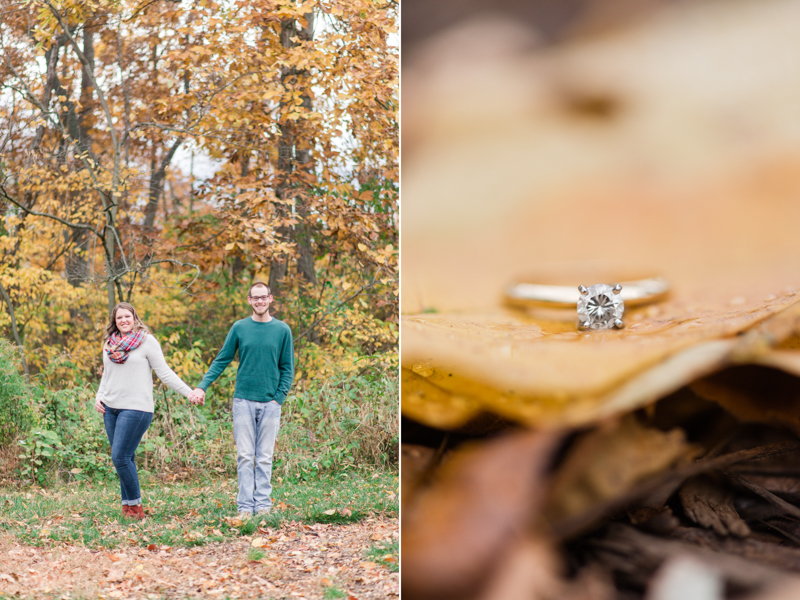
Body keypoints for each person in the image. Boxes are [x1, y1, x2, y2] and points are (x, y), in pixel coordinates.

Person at [191, 282, 294, 518]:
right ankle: (245, 508)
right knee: (246, 456)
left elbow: (287, 368)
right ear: (249, 300)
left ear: (270, 299)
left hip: (270, 403)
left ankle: (263, 506)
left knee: (265, 457)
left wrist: (278, 399)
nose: (259, 302)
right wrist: (202, 386)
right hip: (243, 402)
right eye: (255, 298)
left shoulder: (282, 330)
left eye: (263, 297)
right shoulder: (239, 328)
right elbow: (221, 359)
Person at [94, 302, 200, 519]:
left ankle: (135, 508)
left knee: (120, 457)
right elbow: (107, 374)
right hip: (111, 408)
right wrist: (99, 396)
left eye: (127, 316)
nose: (123, 320)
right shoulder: (109, 343)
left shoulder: (147, 342)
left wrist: (188, 392)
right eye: (119, 318)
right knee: (125, 458)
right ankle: (128, 508)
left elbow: (165, 373)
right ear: (114, 321)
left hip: (137, 408)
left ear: (134, 318)